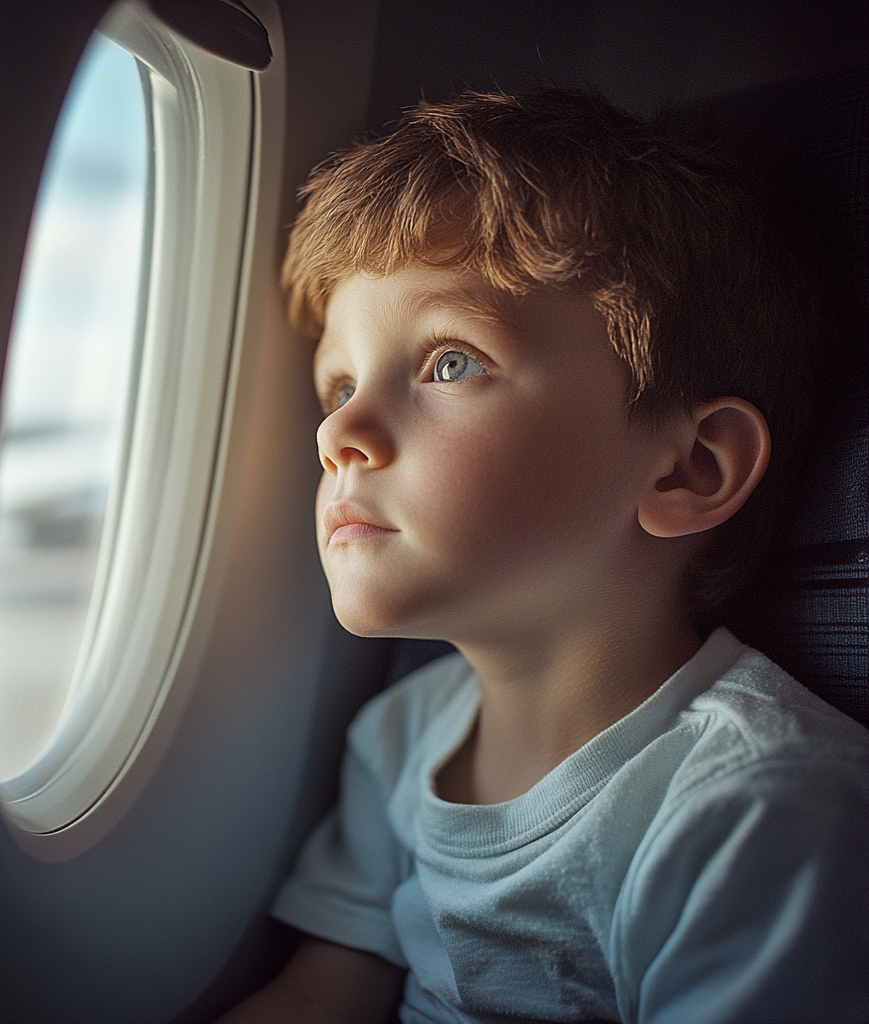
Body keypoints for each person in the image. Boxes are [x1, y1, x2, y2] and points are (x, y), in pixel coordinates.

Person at [218, 90, 869, 1023]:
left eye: (450, 362)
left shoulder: (758, 812)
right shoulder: (398, 741)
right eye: (341, 382)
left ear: (688, 468)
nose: (340, 432)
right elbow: (326, 993)